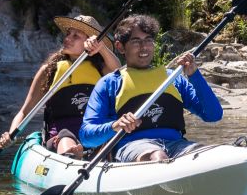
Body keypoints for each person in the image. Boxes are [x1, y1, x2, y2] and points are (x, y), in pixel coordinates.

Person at [79, 14, 223, 162]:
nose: (144, 47)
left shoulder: (174, 78)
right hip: (134, 146)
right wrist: (115, 125)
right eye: (136, 41)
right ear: (120, 47)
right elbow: (86, 137)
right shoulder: (109, 83)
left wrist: (194, 75)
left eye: (149, 40)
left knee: (209, 156)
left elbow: (213, 115)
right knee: (158, 156)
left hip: (177, 145)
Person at [0, 15, 121, 157]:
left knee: (104, 137)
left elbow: (118, 71)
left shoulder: (101, 69)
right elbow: (25, 112)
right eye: (68, 33)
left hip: (93, 131)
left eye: (76, 36)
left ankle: (86, 152)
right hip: (61, 133)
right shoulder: (49, 70)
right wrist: (11, 134)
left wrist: (101, 48)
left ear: (89, 41)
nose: (67, 38)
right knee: (66, 137)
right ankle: (72, 154)